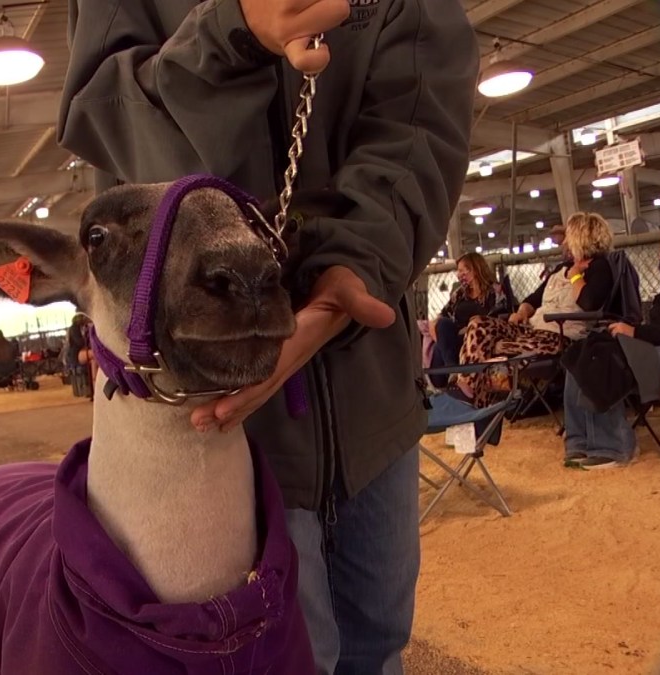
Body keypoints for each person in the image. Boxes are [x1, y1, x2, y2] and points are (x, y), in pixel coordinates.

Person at [58, 0, 478, 671]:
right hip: (222, 425)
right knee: (278, 654)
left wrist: (354, 266)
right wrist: (235, 35)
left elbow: (419, 117)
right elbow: (108, 117)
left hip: (374, 397)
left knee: (378, 643)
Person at [458, 212, 617, 407]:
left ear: (580, 238)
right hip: (531, 330)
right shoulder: (561, 268)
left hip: (559, 337)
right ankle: (468, 384)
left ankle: (474, 400)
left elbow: (589, 303)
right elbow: (533, 299)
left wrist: (576, 275)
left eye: (568, 236)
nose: (564, 242)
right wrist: (522, 312)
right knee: (478, 324)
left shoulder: (600, 268)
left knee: (490, 347)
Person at [564, 234, 660, 469]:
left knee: (605, 361)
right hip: (652, 345)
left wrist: (635, 332)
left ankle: (615, 446)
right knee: (581, 354)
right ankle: (580, 440)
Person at [428, 253, 510, 387]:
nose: (458, 274)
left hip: (479, 337)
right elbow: (443, 315)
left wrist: (471, 328)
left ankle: (452, 373)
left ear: (474, 270)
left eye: (461, 270)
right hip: (457, 336)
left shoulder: (494, 291)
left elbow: (495, 318)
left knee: (440, 351)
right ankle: (453, 370)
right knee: (442, 325)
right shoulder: (460, 293)